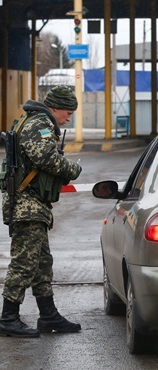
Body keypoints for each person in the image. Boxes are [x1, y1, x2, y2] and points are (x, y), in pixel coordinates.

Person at [0, 85, 82, 338]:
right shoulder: (40, 124)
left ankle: (48, 315)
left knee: (42, 262)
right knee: (24, 263)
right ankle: (8, 318)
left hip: (34, 205)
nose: (68, 118)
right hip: (28, 205)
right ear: (54, 107)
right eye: (67, 113)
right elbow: (46, 158)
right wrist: (72, 170)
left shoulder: (38, 121)